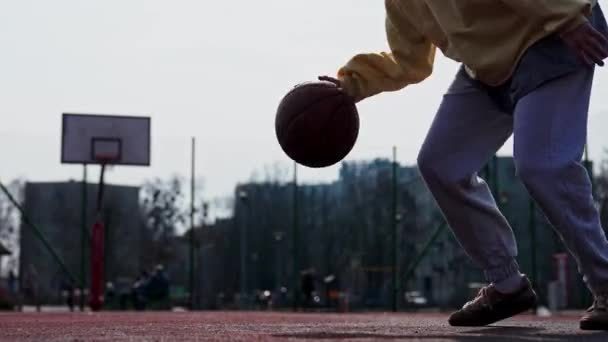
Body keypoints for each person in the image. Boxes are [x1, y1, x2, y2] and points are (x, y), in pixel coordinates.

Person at [321, 0, 608, 330]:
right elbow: (409, 61)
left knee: (541, 164)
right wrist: (349, 85)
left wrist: (566, 18)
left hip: (551, 33)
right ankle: (506, 285)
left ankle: (605, 280)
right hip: (490, 66)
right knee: (440, 163)